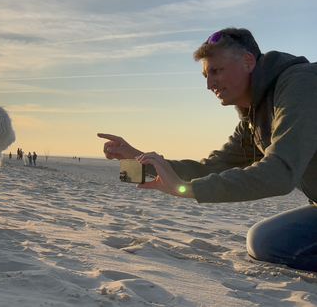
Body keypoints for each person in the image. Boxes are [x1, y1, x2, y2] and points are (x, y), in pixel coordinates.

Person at [98, 27, 317, 272]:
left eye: (216, 71)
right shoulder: (254, 117)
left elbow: (280, 174)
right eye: (205, 75)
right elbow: (212, 166)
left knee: (269, 243)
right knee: (265, 240)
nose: (209, 84)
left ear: (247, 61)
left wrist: (188, 190)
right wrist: (140, 159)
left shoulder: (301, 83)